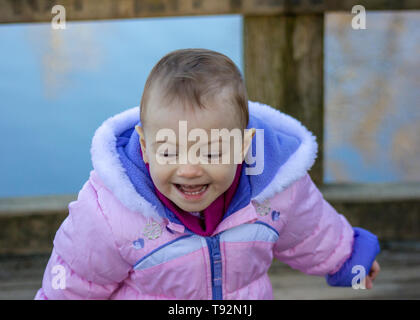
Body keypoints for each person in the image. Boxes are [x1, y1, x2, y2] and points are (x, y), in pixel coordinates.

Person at [34, 48, 380, 300]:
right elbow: (76, 280)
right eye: (169, 150)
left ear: (244, 146)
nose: (189, 168)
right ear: (144, 145)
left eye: (212, 151)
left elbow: (311, 230)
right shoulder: (110, 213)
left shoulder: (274, 188)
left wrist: (350, 258)